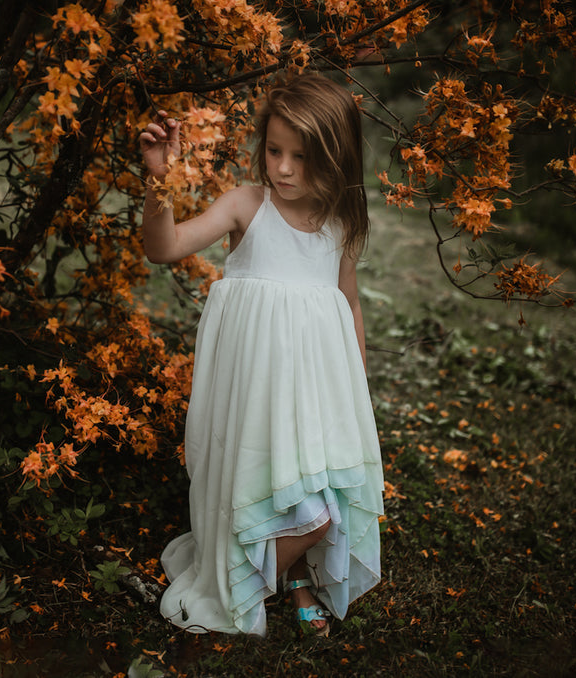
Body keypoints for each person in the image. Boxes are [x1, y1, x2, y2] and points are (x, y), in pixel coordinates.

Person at [138, 74, 384, 637]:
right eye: (275, 150)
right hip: (253, 394)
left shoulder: (338, 227)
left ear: (336, 159)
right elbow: (163, 249)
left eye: (302, 157)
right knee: (269, 486)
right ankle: (252, 581)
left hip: (316, 396)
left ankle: (278, 573)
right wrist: (160, 184)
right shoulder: (247, 206)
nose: (283, 169)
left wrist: (357, 391)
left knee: (320, 504)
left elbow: (347, 305)